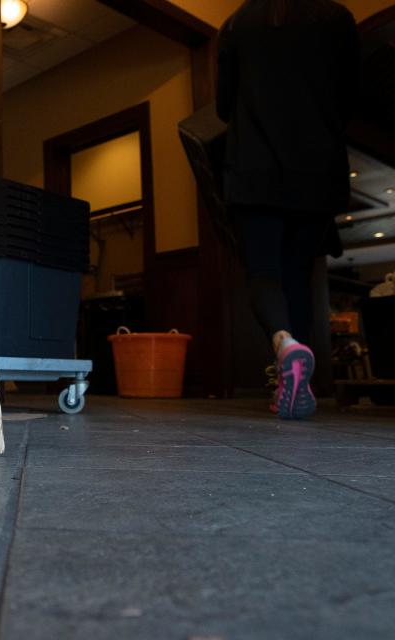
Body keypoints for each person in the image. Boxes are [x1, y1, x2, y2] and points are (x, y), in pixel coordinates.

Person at [217, 0, 359, 419]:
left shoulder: (239, 21)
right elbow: (348, 98)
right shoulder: (338, 18)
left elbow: (225, 105)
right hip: (317, 168)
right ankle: (298, 384)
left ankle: (285, 346)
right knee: (298, 273)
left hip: (255, 165)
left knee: (264, 272)